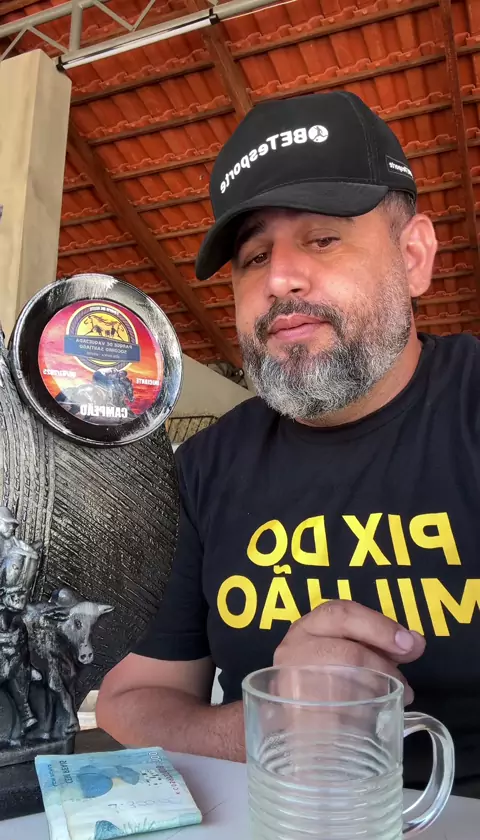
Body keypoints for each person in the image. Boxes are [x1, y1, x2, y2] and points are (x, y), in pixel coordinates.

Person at [97, 91, 480, 797]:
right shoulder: (200, 471)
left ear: (414, 256)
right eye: (253, 256)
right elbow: (130, 700)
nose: (278, 279)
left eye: (322, 238)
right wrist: (266, 726)